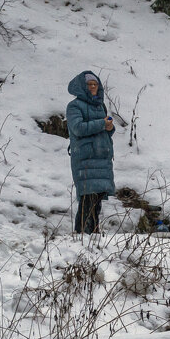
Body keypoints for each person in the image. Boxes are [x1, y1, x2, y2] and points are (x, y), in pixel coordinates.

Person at [67, 71, 116, 234]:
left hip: (101, 156)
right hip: (85, 158)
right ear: (82, 87)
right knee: (88, 196)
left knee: (97, 197)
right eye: (89, 85)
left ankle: (93, 234)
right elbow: (77, 128)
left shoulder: (100, 106)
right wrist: (102, 124)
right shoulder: (74, 106)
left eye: (95, 84)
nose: (93, 87)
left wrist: (109, 128)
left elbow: (102, 130)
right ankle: (81, 234)